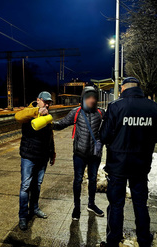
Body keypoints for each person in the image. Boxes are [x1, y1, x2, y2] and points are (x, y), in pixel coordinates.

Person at [99, 77, 157, 247]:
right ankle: (143, 239)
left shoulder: (115, 106)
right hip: (141, 165)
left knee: (116, 204)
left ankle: (113, 240)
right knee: (140, 203)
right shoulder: (152, 106)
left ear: (123, 89)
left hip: (117, 165)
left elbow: (104, 136)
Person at [53, 86, 105, 220]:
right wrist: (47, 121)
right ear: (83, 98)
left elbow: (109, 129)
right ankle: (76, 207)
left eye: (94, 97)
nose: (92, 100)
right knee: (78, 180)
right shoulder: (76, 112)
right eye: (89, 97)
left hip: (94, 154)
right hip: (79, 154)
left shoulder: (101, 113)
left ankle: (91, 204)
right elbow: (61, 124)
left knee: (92, 180)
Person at [15, 91, 56, 231]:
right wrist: (37, 111)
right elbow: (17, 116)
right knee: (25, 186)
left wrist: (52, 152)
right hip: (28, 156)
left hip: (43, 156)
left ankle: (34, 208)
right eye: (45, 101)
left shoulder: (47, 116)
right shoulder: (28, 112)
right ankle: (22, 216)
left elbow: (50, 135)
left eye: (49, 102)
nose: (47, 104)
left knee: (37, 185)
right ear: (38, 100)